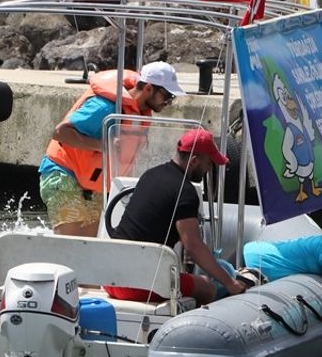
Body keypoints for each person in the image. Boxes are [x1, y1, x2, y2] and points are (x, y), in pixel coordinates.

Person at [39, 61, 184, 236]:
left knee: (90, 245)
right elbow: (60, 132)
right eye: (167, 95)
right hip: (63, 174)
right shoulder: (105, 107)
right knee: (70, 244)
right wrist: (104, 145)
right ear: (148, 88)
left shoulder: (139, 114)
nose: (169, 102)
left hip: (93, 184)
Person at [105, 128, 249, 305]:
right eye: (209, 163)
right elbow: (193, 246)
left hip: (110, 278)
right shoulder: (185, 191)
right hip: (139, 284)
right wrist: (230, 283)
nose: (209, 170)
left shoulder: (150, 174)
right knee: (207, 287)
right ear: (195, 160)